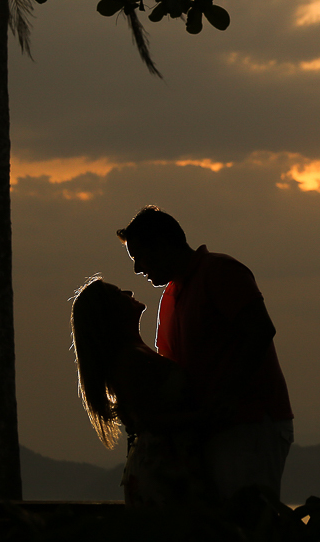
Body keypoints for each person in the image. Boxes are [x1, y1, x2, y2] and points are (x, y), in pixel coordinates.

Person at [116, 206, 294, 502]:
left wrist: (227, 395)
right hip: (209, 428)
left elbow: (260, 330)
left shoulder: (219, 271)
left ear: (162, 244)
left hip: (249, 424)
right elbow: (170, 369)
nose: (137, 269)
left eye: (139, 257)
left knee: (247, 521)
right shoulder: (171, 297)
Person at [71, 276, 212, 506]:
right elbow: (150, 420)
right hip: (164, 471)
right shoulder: (129, 361)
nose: (127, 291)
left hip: (170, 464)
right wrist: (208, 416)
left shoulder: (135, 354)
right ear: (110, 313)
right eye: (118, 293)